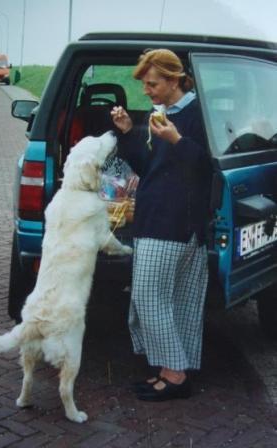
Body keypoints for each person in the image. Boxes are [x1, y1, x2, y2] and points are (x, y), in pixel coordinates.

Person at [110, 49, 212, 402]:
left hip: (173, 223)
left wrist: (176, 141)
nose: (146, 91)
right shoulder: (165, 114)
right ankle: (174, 372)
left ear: (173, 79)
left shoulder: (199, 114)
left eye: (152, 84)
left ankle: (174, 374)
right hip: (163, 219)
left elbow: (205, 168)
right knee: (178, 300)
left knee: (149, 297)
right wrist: (127, 133)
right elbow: (151, 167)